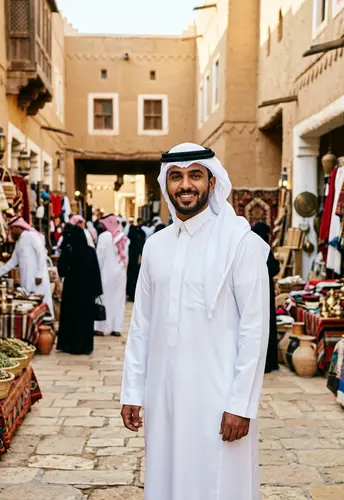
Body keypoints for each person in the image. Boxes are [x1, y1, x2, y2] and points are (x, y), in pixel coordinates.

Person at [120, 143, 270, 500]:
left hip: (219, 400)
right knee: (165, 478)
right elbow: (141, 324)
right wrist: (133, 391)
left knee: (219, 484)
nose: (185, 185)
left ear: (212, 182)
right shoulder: (156, 245)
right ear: (166, 185)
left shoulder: (241, 243)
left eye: (194, 175)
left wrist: (241, 404)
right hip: (164, 396)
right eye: (176, 176)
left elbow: (255, 330)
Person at [0, 216, 54, 315]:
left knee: (42, 307)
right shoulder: (19, 241)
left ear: (19, 227)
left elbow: (42, 255)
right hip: (27, 280)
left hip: (38, 280)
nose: (11, 232)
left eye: (12, 229)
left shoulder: (32, 236)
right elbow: (12, 262)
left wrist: (39, 275)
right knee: (30, 307)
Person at [56, 222, 102, 355]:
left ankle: (70, 345)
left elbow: (62, 270)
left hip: (72, 291)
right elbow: (96, 272)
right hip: (87, 292)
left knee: (71, 318)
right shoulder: (90, 251)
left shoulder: (69, 250)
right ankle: (85, 347)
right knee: (85, 320)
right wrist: (97, 290)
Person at [251, 222, 280, 373]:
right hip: (266, 292)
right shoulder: (264, 248)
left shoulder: (249, 246)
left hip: (252, 292)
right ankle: (269, 362)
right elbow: (274, 268)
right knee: (267, 325)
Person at [94, 214, 129, 337]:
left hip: (106, 272)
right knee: (119, 299)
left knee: (104, 298)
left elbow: (99, 257)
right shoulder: (123, 237)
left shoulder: (104, 237)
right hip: (120, 273)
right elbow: (126, 259)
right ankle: (117, 328)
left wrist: (96, 271)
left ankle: (101, 328)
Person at [126, 223, 146, 301]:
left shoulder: (131, 237)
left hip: (131, 261)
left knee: (131, 278)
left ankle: (131, 294)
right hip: (137, 260)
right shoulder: (140, 235)